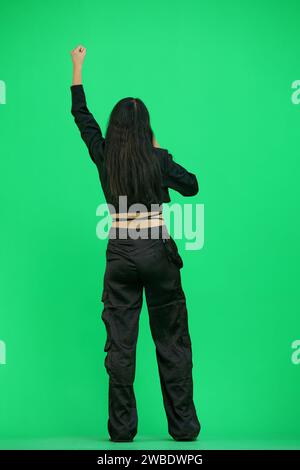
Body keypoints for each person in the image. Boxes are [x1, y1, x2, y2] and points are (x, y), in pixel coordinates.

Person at [70, 44, 201, 442]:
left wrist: (77, 67)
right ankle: (183, 429)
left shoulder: (105, 153)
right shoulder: (157, 159)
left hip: (122, 252)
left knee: (121, 346)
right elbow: (192, 186)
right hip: (157, 251)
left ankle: (122, 432)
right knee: (172, 340)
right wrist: (160, 151)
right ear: (146, 128)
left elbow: (82, 118)